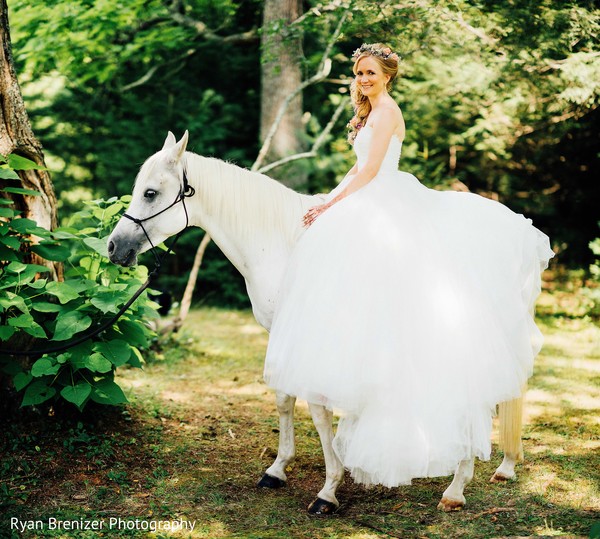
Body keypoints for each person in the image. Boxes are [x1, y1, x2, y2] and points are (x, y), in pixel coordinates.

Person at [264, 43, 554, 487]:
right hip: (364, 198)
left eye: (371, 73)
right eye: (359, 73)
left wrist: (330, 207)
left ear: (387, 76)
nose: (363, 79)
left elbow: (371, 170)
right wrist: (327, 199)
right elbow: (355, 168)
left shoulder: (386, 113)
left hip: (383, 201)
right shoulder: (367, 112)